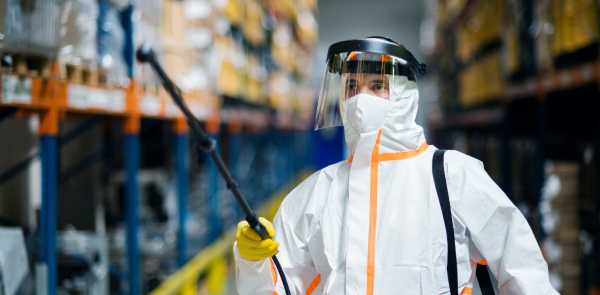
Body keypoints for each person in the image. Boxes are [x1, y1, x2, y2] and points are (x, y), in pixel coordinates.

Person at [233, 37, 559, 295]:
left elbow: (523, 272)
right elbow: (278, 288)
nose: (361, 100)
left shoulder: (452, 178)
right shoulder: (317, 194)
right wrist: (252, 262)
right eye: (351, 87)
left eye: (377, 86)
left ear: (404, 96)